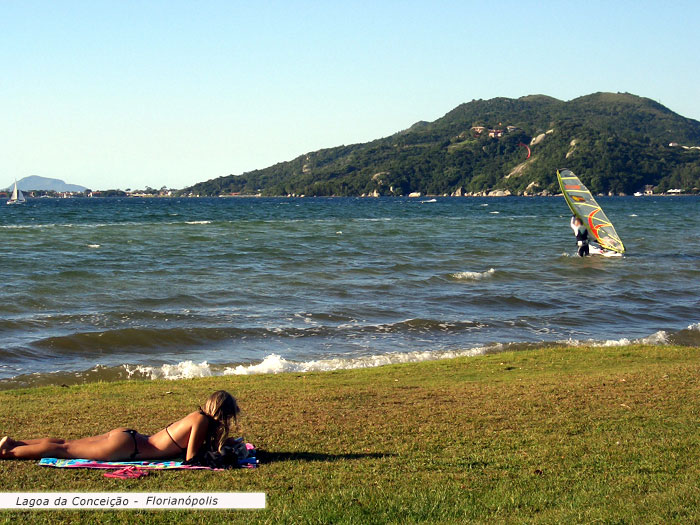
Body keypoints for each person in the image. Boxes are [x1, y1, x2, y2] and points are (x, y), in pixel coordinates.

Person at [0, 390, 240, 462]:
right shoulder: (201, 421)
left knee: (65, 444)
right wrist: (226, 456)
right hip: (129, 448)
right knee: (61, 450)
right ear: (223, 413)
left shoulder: (195, 416)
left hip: (128, 437)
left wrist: (222, 444)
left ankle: (13, 443)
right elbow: (191, 458)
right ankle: (7, 452)